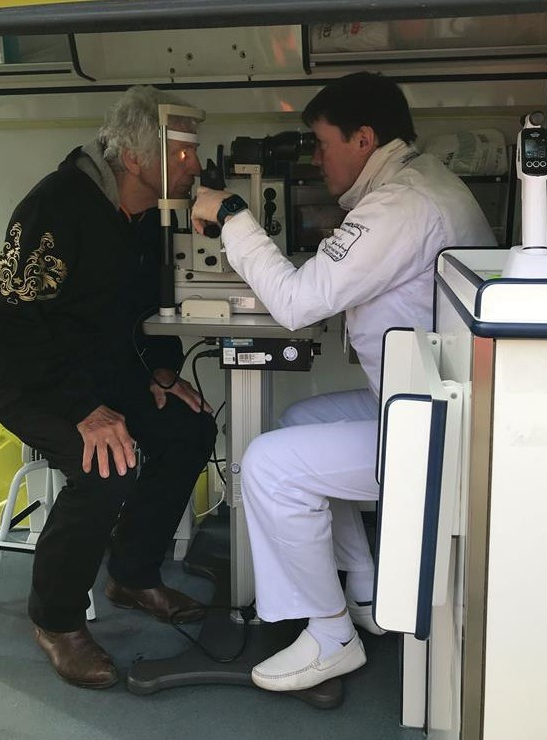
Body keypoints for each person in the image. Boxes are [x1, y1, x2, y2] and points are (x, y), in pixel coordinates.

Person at [192, 72, 496, 692]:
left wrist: (230, 214)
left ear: (363, 139)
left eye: (323, 143)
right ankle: (364, 591)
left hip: (439, 431)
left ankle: (332, 637)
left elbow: (297, 303)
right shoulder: (421, 185)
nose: (315, 159)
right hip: (432, 402)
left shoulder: (402, 206)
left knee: (269, 464)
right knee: (297, 423)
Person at [0, 85, 217, 689]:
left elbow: (146, 307)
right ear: (133, 157)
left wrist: (161, 371)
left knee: (189, 428)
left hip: (100, 376)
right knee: (106, 463)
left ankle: (132, 575)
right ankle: (56, 620)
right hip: (24, 377)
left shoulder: (148, 216)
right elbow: (12, 330)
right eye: (181, 153)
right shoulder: (55, 207)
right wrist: (85, 410)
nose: (195, 166)